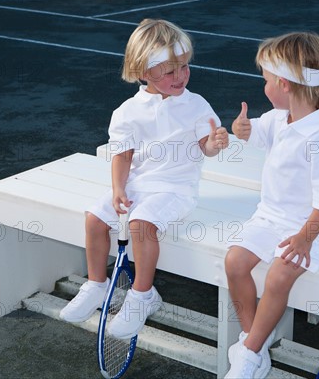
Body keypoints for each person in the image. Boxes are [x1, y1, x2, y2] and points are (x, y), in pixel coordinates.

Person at [60, 19, 229, 340]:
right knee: (95, 218)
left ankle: (143, 295)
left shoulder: (196, 105)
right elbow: (122, 155)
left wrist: (214, 143)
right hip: (138, 187)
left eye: (184, 67)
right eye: (169, 71)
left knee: (140, 224)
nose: (180, 76)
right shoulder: (127, 111)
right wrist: (118, 189)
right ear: (143, 73)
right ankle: (97, 284)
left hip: (177, 190)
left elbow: (204, 148)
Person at [224, 32, 319, 378]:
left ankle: (248, 354)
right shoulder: (280, 118)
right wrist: (243, 130)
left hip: (310, 227)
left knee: (279, 276)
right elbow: (259, 134)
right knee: (235, 262)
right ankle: (256, 342)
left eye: (265, 80)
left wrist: (305, 238)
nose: (263, 86)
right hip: (270, 217)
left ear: (283, 84)